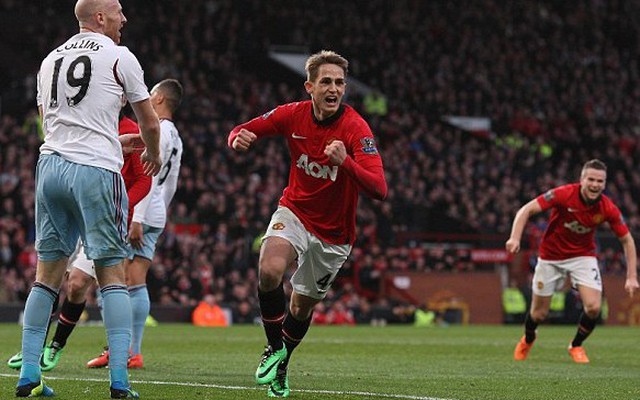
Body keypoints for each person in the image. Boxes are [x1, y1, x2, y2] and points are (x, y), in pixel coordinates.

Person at [17, 0, 161, 398]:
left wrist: (114, 140)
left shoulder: (50, 60)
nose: (124, 18)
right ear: (100, 17)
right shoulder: (120, 56)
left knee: (46, 278)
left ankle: (29, 374)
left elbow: (55, 126)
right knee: (113, 277)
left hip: (50, 169)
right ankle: (119, 381)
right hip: (96, 171)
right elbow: (150, 120)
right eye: (118, 11)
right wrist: (153, 151)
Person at [228, 50, 387, 398]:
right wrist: (237, 138)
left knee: (300, 306)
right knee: (269, 269)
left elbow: (379, 189)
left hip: (334, 235)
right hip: (295, 212)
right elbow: (244, 128)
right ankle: (273, 348)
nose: (334, 88)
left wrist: (345, 162)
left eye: (340, 82)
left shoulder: (356, 128)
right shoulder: (292, 115)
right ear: (310, 87)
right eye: (326, 82)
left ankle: (282, 366)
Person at [7, 111, 152, 372]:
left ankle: (56, 346)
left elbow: (144, 180)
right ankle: (33, 348)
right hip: (69, 209)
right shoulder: (83, 122)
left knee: (76, 284)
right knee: (48, 278)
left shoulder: (131, 128)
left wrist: (121, 207)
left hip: (101, 218)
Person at [87, 78, 184, 369]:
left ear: (159, 100)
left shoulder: (158, 133)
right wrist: (158, 212)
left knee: (117, 278)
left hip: (139, 215)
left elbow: (148, 175)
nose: (147, 98)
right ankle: (131, 351)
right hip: (154, 212)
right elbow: (171, 183)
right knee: (134, 279)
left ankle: (122, 349)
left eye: (151, 94)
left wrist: (138, 218)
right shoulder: (175, 135)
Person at [506, 159, 638, 364]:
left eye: (600, 181)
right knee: (538, 314)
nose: (595, 184)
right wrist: (515, 237)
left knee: (594, 307)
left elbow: (627, 240)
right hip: (550, 257)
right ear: (582, 180)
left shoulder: (607, 208)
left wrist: (631, 277)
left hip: (582, 257)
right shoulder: (563, 194)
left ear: (604, 184)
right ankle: (529, 338)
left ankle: (576, 345)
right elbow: (525, 210)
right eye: (591, 179)